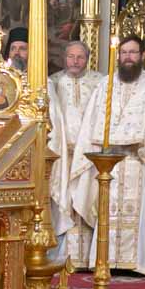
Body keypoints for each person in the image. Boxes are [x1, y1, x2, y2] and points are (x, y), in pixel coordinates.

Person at [66, 35, 145, 275]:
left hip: (139, 160)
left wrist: (141, 143)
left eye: (133, 52)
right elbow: (92, 122)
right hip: (110, 164)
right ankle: (107, 260)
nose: (128, 57)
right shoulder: (105, 84)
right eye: (124, 52)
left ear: (142, 55)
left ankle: (139, 264)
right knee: (107, 211)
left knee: (139, 214)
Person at [47, 40, 99, 267]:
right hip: (62, 155)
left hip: (88, 157)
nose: (75, 62)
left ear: (87, 58)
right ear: (64, 58)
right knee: (62, 202)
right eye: (71, 57)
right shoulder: (54, 82)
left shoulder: (99, 82)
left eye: (80, 57)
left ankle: (86, 258)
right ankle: (62, 257)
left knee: (87, 198)